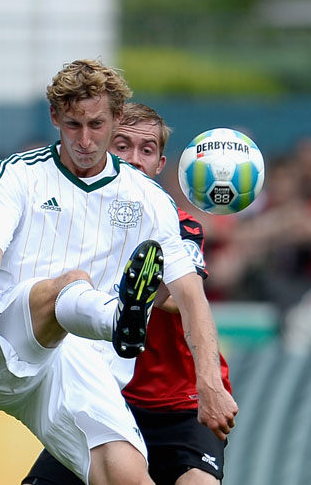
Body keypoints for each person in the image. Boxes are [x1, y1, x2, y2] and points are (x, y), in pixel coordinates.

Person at [0, 60, 237, 484]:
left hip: (85, 366)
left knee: (127, 475)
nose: (84, 140)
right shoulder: (19, 174)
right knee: (70, 284)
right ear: (54, 118)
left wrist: (210, 382)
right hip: (3, 341)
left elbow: (191, 298)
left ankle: (117, 317)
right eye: (73, 125)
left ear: (116, 117)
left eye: (96, 125)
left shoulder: (150, 201)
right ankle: (117, 317)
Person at [23, 103, 235, 485]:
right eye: (122, 147)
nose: (135, 160)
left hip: (180, 403)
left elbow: (176, 298)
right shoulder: (72, 225)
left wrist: (210, 385)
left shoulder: (181, 228)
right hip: (105, 397)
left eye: (147, 150)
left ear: (159, 164)